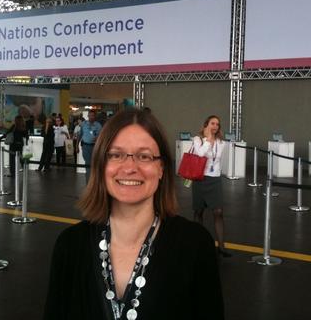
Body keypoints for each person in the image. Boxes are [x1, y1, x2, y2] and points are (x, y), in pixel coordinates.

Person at [44, 108, 224, 320]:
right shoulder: (70, 246)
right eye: (116, 155)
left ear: (161, 168)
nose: (130, 167)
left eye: (144, 156)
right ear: (102, 165)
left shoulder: (196, 245)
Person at [191, 115, 231, 257]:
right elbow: (200, 154)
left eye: (217, 124)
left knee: (218, 211)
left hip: (214, 179)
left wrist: (211, 143)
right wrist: (207, 140)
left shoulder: (221, 142)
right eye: (212, 123)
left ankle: (221, 246)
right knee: (199, 212)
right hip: (200, 179)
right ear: (206, 124)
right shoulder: (197, 140)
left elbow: (216, 158)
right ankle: (198, 243)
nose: (215, 126)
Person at [78, 109, 102, 182]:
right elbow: (80, 135)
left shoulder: (98, 125)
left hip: (95, 147)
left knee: (94, 164)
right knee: (88, 164)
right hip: (85, 147)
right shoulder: (84, 124)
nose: (91, 117)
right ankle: (88, 182)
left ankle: (94, 182)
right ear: (88, 116)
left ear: (95, 116)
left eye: (93, 115)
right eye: (90, 115)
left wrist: (98, 138)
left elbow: (102, 136)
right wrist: (76, 146)